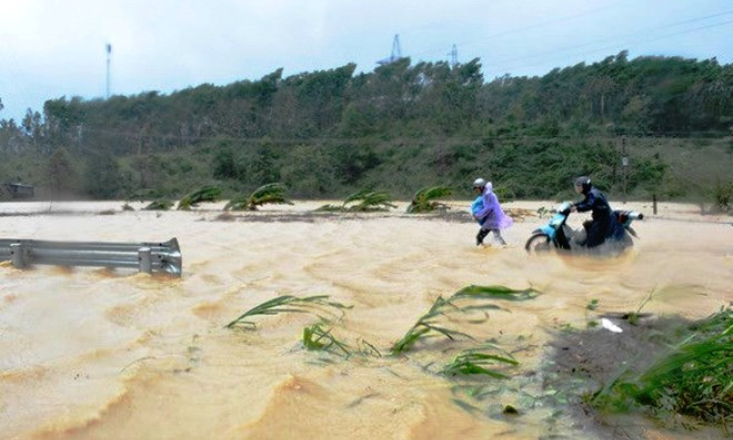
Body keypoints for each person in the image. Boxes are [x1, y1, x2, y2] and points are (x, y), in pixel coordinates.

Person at [570, 176, 623, 248]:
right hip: (602, 217)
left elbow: (589, 205)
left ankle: (592, 253)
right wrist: (575, 204)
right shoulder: (591, 192)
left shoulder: (593, 194)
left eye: (579, 186)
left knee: (591, 242)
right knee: (586, 225)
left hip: (603, 219)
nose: (577, 188)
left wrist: (577, 208)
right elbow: (585, 202)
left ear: (585, 186)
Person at [471, 178, 513, 246]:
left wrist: (478, 215)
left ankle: (481, 251)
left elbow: (488, 208)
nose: (476, 190)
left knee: (479, 237)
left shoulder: (487, 194)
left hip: (492, 219)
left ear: (481, 187)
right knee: (497, 237)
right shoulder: (487, 191)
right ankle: (505, 248)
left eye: (477, 188)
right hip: (495, 217)